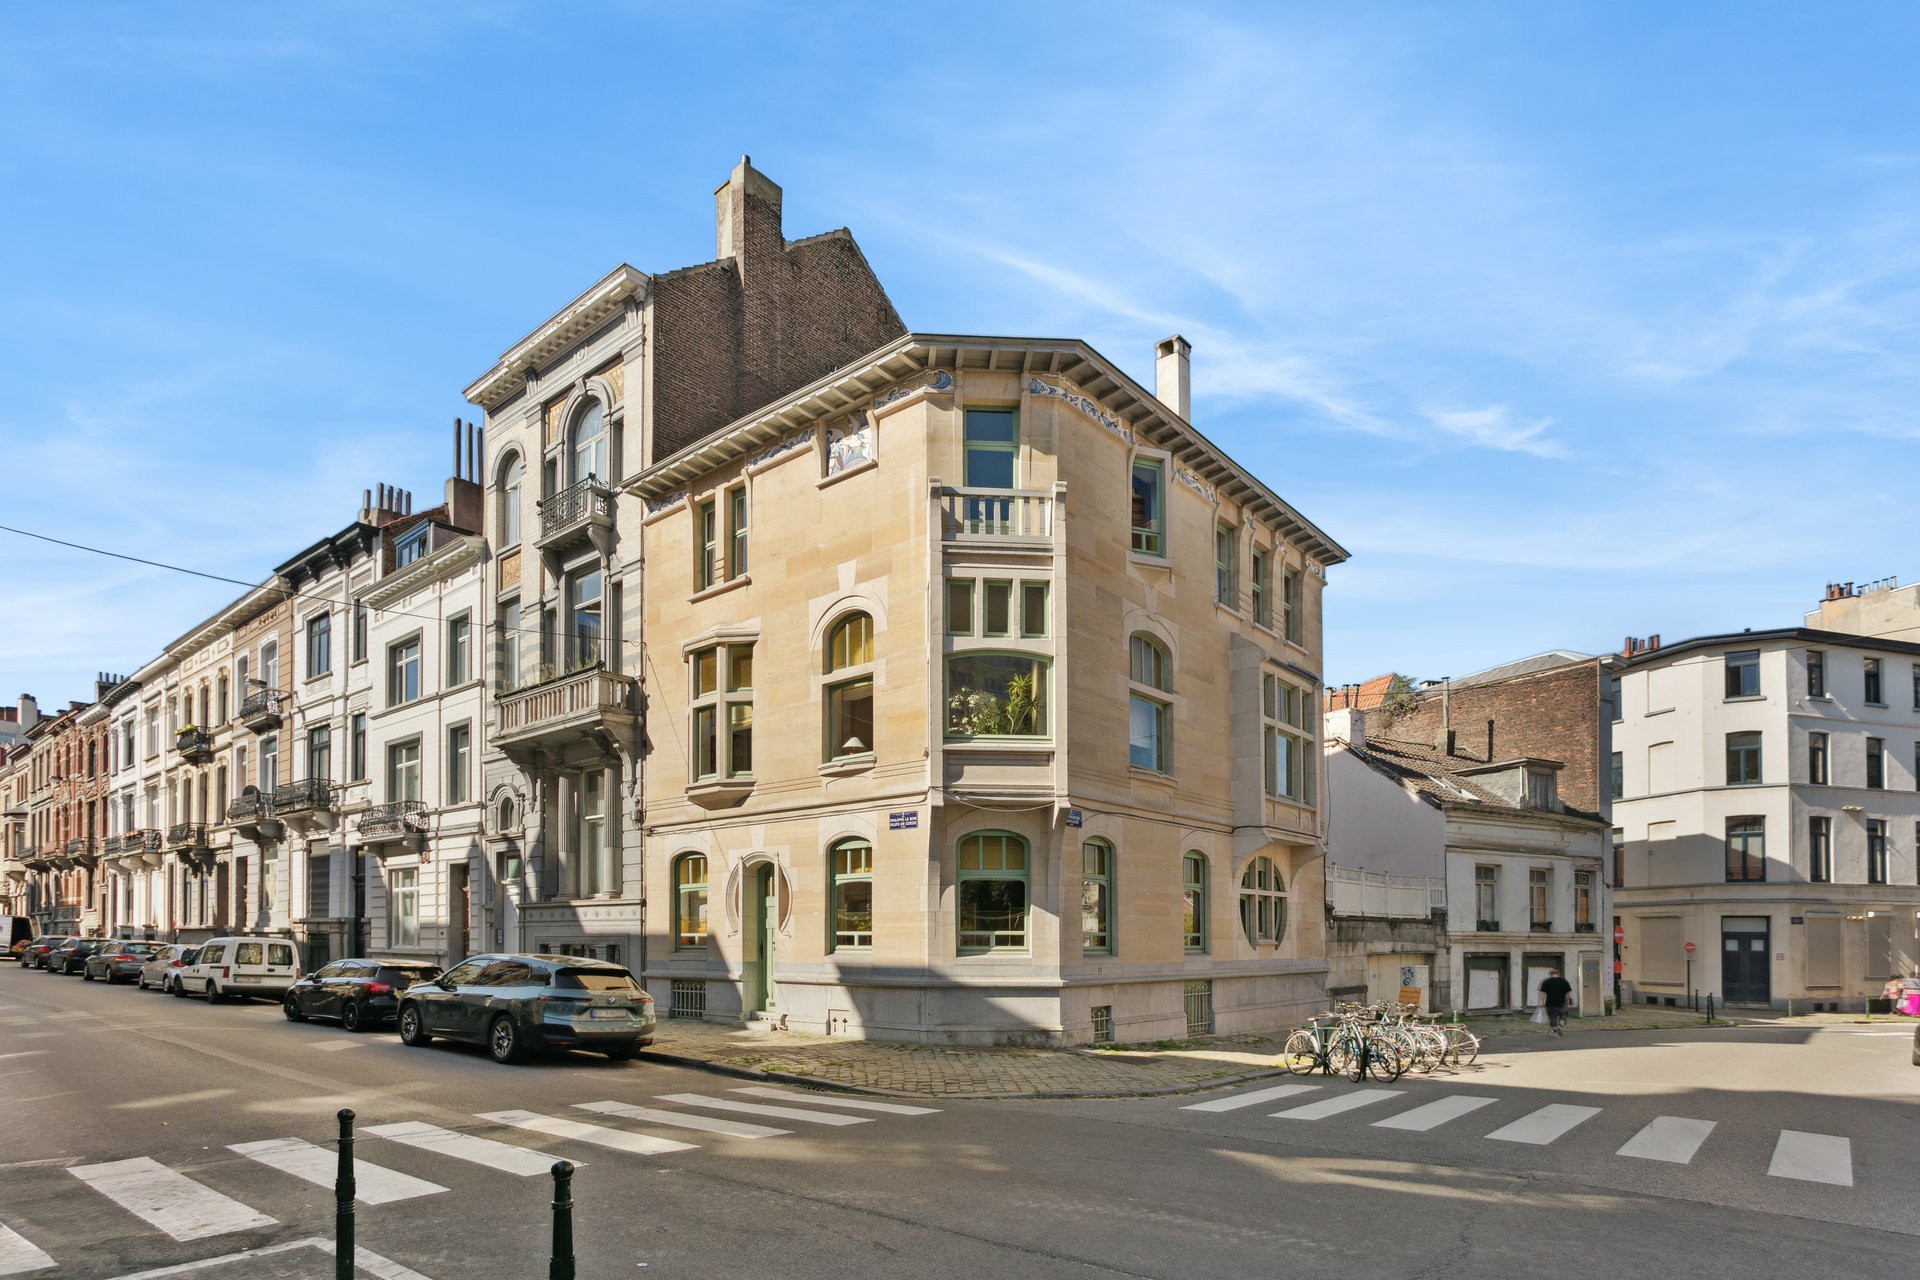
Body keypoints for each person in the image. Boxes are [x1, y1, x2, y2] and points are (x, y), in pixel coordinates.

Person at [1538, 969, 1574, 1036]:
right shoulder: (1564, 981)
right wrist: (1571, 999)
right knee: (1564, 1015)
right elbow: (1569, 991)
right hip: (1562, 1003)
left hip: (1550, 1003)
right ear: (1558, 974)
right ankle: (1560, 1026)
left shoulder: (1546, 982)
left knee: (1552, 1017)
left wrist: (1541, 1002)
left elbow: (1542, 993)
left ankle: (1555, 1029)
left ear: (1550, 974)